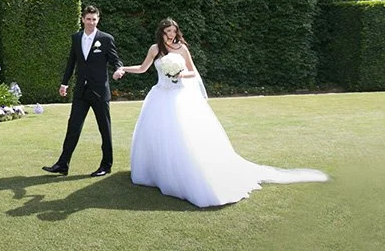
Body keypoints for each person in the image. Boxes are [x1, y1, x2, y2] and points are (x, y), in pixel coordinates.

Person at [113, 17, 328, 208]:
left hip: (179, 97)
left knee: (182, 137)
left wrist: (179, 74)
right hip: (160, 96)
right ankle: (158, 173)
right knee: (158, 136)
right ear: (161, 33)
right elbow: (143, 68)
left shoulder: (182, 49)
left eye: (173, 31)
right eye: (167, 32)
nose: (170, 35)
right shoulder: (155, 49)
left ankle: (186, 176)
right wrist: (123, 69)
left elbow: (192, 72)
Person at [43, 5, 122, 177]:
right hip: (81, 91)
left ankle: (106, 165)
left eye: (94, 19)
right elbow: (71, 62)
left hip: (100, 92)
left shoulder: (106, 39)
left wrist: (118, 70)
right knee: (73, 127)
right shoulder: (76, 37)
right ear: (83, 19)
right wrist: (64, 83)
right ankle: (63, 164)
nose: (91, 22)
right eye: (88, 19)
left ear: (98, 20)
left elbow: (116, 60)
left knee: (104, 129)